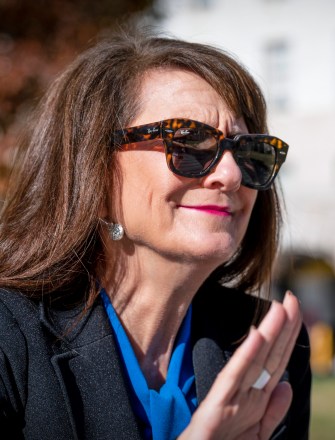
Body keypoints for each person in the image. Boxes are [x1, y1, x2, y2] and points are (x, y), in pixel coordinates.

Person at [0, 26, 311, 439]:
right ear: (91, 167)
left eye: (249, 152)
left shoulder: (266, 342)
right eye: (186, 142)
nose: (232, 175)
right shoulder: (9, 335)